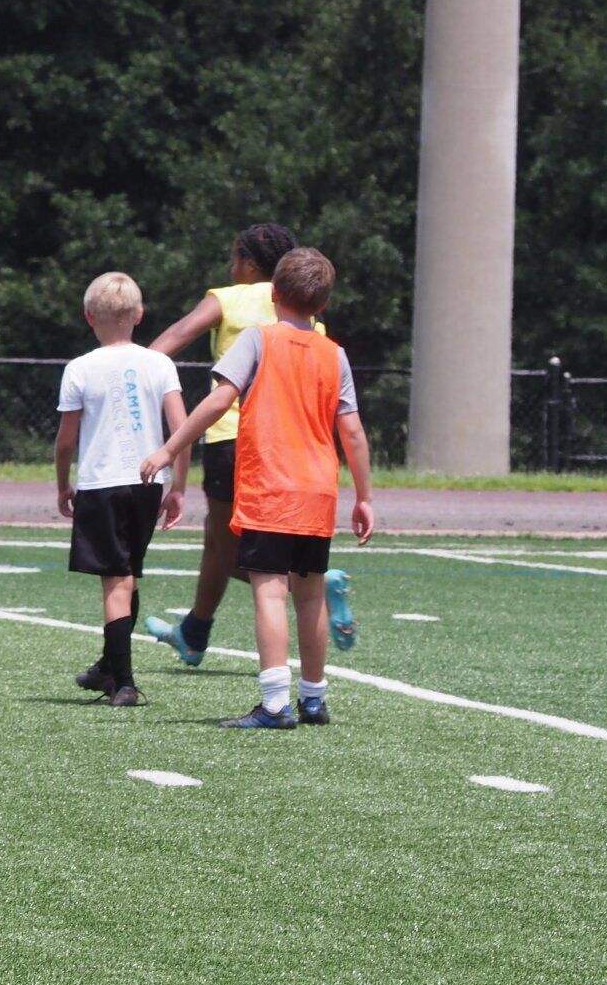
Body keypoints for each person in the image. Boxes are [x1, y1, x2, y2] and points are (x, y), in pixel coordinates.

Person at [140, 248, 375, 729]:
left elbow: (217, 402)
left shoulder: (257, 340)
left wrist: (169, 449)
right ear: (323, 304)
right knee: (309, 595)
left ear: (273, 295)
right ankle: (314, 699)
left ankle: (273, 705)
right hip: (317, 493)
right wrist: (365, 497)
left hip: (271, 489)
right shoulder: (335, 354)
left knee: (269, 593)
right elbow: (352, 431)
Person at [55, 272, 188, 707]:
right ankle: (109, 664)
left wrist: (62, 484)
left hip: (101, 482)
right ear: (139, 314)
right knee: (127, 573)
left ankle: (124, 682)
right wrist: (179, 487)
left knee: (116, 580)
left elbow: (66, 440)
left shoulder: (80, 367)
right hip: (148, 483)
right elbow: (182, 430)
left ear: (89, 317)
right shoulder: (159, 364)